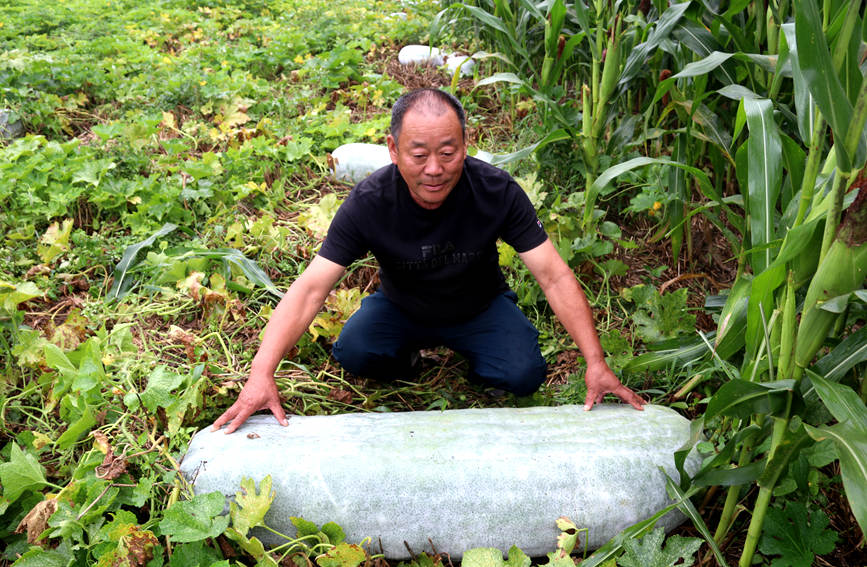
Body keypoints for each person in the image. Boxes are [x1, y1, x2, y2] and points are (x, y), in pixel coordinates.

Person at [213, 88, 645, 434]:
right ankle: (411, 359)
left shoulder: (496, 191)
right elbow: (310, 289)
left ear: (466, 144)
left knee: (523, 374)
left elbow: (553, 275)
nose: (434, 169)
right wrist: (260, 373)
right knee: (356, 352)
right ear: (393, 149)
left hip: (480, 307)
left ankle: (477, 361)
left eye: (448, 152)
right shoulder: (369, 202)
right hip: (402, 308)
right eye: (419, 155)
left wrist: (596, 361)